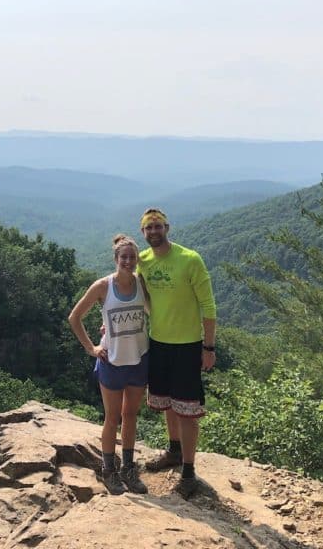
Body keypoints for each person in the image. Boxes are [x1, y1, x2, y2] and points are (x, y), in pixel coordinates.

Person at [137, 208, 216, 499]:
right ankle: (173, 450)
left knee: (187, 410)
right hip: (158, 342)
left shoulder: (190, 259)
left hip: (187, 346)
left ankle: (189, 472)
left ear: (167, 228)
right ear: (142, 233)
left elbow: (209, 306)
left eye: (158, 226)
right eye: (148, 228)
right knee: (169, 403)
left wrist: (208, 346)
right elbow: (133, 293)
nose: (154, 231)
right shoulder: (142, 261)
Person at [68, 234, 150, 495]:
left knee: (130, 416)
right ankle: (108, 471)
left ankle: (128, 468)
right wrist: (91, 347)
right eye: (123, 257)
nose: (128, 261)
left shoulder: (142, 284)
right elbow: (75, 317)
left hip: (139, 358)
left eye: (132, 257)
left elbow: (155, 312)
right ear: (115, 259)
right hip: (112, 361)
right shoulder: (103, 286)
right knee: (112, 418)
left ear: (137, 260)